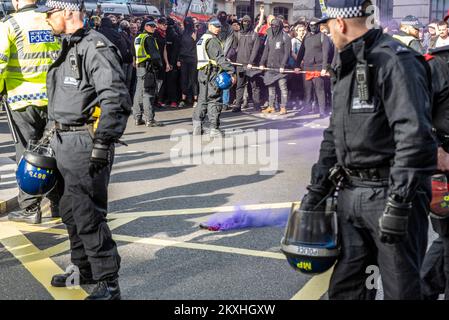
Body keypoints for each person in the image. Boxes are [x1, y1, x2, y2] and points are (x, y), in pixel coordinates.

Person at [300, 0, 436, 299]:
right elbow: (334, 134)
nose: (327, 33)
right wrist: (316, 191)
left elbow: (414, 137)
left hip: (390, 194)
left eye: (328, 26)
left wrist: (399, 203)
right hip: (351, 192)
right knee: (346, 289)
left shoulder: (395, 60)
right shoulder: (344, 62)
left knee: (401, 289)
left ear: (341, 24)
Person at [37, 0, 131, 300]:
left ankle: (109, 282)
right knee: (69, 212)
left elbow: (115, 96)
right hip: (62, 141)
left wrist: (103, 141)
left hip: (84, 142)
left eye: (49, 14)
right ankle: (83, 269)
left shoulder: (95, 46)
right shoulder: (69, 45)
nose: (46, 20)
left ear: (67, 12)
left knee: (88, 214)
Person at [1, 0, 61, 224]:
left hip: (21, 100)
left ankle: (30, 209)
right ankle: (58, 204)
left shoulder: (10, 24)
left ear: (16, 2)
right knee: (54, 151)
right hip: (53, 98)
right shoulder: (49, 20)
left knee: (27, 154)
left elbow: (0, 62)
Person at [420, 45, 449, 300]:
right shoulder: (438, 64)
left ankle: (424, 289)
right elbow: (415, 113)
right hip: (445, 162)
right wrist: (438, 149)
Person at [193, 17, 235, 137]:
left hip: (202, 72)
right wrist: (231, 71)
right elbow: (219, 58)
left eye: (219, 27)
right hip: (211, 73)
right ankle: (214, 129)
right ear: (209, 26)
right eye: (216, 26)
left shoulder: (202, 38)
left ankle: (197, 127)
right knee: (214, 100)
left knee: (202, 100)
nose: (218, 29)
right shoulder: (212, 40)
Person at [295, 18, 332, 117]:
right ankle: (306, 109)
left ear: (319, 25)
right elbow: (301, 52)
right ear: (308, 26)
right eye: (311, 25)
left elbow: (326, 54)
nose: (313, 27)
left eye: (315, 25)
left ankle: (322, 111)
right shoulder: (306, 36)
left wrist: (324, 68)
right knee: (307, 90)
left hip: (318, 67)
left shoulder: (323, 37)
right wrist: (297, 66)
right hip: (307, 67)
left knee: (319, 90)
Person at [132, 19, 164, 127]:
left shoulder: (138, 38)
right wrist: (159, 66)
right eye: (152, 26)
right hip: (148, 68)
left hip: (140, 68)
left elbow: (134, 53)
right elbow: (155, 55)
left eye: (155, 26)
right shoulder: (149, 38)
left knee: (138, 93)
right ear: (145, 26)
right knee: (148, 94)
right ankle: (149, 119)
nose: (154, 28)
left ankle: (137, 118)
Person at [259, 18, 291, 115]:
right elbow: (265, 51)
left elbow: (287, 53)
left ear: (280, 26)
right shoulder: (269, 37)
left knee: (283, 88)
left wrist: (283, 65)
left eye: (276, 26)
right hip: (270, 67)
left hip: (281, 68)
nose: (274, 28)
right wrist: (261, 63)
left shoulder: (286, 37)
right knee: (271, 88)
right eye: (272, 26)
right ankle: (271, 107)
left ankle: (283, 107)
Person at [232, 15, 262, 113]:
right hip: (240, 65)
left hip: (251, 65)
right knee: (239, 85)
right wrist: (228, 58)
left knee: (254, 86)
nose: (246, 23)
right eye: (244, 21)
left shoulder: (255, 35)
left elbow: (255, 50)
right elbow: (234, 49)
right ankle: (237, 105)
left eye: (248, 21)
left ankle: (257, 105)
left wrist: (250, 62)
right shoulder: (238, 34)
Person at [178, 17, 198, 108]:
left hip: (193, 59)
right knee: (184, 79)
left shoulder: (195, 32)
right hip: (184, 59)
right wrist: (178, 59)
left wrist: (196, 40)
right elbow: (179, 47)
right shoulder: (182, 33)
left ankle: (195, 99)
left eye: (188, 22)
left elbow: (199, 46)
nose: (187, 24)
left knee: (193, 80)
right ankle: (183, 99)